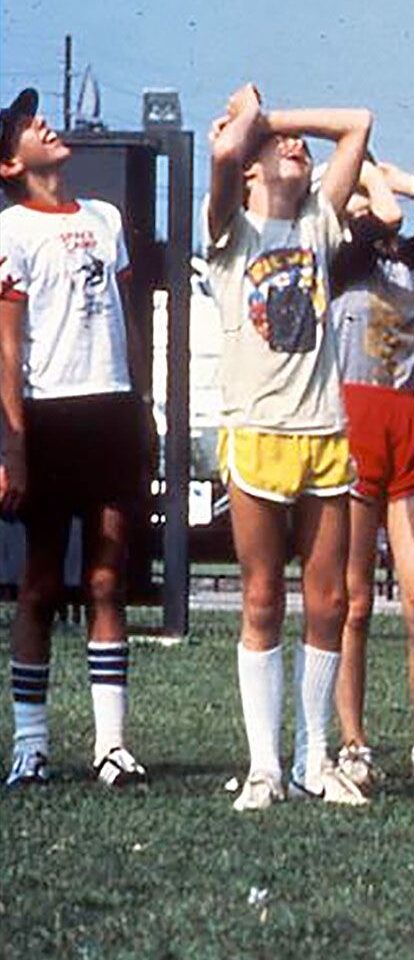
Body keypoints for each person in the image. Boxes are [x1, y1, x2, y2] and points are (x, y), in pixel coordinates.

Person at [203, 84, 373, 809]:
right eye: (278, 148)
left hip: (323, 434)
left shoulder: (318, 222)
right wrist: (250, 131)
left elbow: (357, 120)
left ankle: (313, 758)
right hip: (258, 435)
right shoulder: (230, 233)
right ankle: (265, 765)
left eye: (299, 145)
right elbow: (220, 155)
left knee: (329, 599)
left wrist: (274, 122)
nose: (296, 148)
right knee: (264, 596)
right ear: (249, 168)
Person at [0, 87, 147, 788]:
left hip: (112, 412)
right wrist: (14, 445)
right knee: (38, 586)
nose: (45, 125)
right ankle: (31, 745)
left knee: (107, 578)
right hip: (50, 416)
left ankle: (111, 745)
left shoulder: (106, 217)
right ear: (9, 165)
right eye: (28, 125)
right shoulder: (12, 232)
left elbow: (128, 320)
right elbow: (6, 349)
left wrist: (142, 404)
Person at [323, 158, 414, 791]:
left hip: (406, 423)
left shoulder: (411, 260)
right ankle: (352, 742)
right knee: (351, 603)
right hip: (351, 422)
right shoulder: (340, 256)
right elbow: (384, 215)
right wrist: (369, 186)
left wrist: (389, 172)